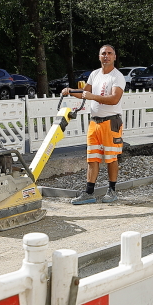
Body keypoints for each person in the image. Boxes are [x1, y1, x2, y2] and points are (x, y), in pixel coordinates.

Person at [63, 44, 125, 204]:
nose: (106, 56)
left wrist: (93, 97)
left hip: (111, 122)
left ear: (114, 57)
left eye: (109, 53)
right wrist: (70, 91)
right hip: (94, 123)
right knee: (92, 158)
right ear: (99, 56)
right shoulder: (95, 74)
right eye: (103, 53)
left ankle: (112, 190)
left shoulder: (117, 77)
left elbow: (114, 99)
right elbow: (85, 93)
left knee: (111, 158)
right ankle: (89, 192)